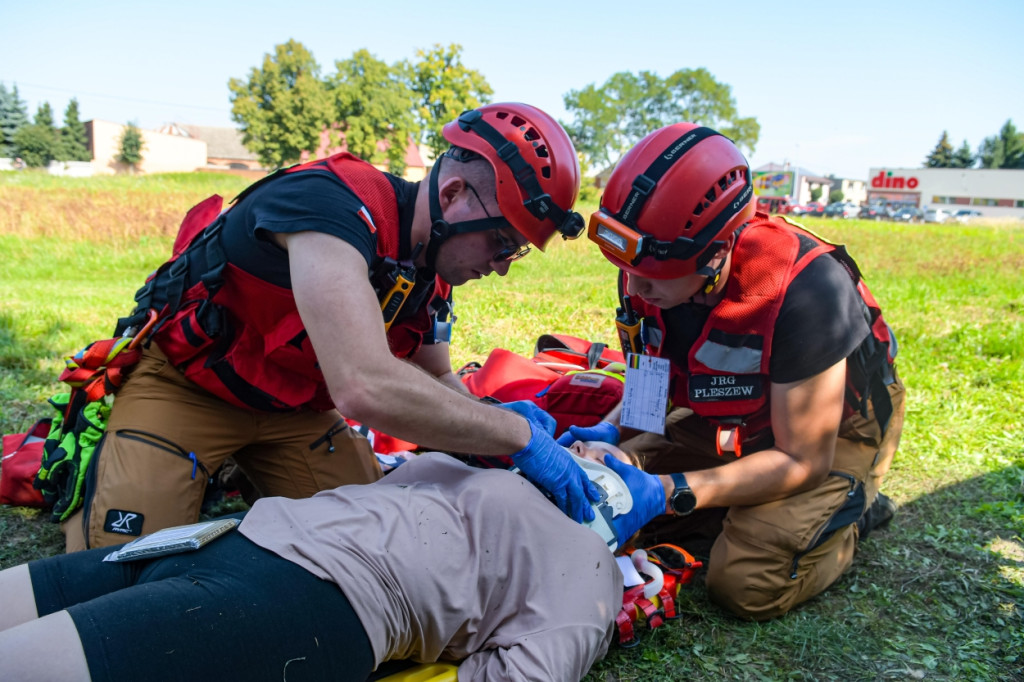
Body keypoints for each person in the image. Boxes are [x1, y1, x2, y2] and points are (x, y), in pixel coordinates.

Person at [54, 102, 604, 552]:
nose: (504, 264)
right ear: (453, 195)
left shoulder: (433, 269)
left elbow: (436, 375)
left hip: (294, 411)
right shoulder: (331, 206)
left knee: (378, 551)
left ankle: (238, 476)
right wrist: (520, 437)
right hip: (189, 387)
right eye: (503, 242)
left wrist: (492, 428)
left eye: (519, 252)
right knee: (126, 565)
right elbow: (363, 383)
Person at [559, 123, 905, 621]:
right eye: (625, 267)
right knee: (606, 491)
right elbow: (651, 384)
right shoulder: (650, 258)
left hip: (832, 433)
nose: (634, 287)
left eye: (650, 276)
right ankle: (726, 511)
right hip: (731, 421)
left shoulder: (804, 288)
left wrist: (670, 491)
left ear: (717, 253)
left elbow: (802, 459)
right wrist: (613, 431)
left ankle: (852, 516)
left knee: (744, 584)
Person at [0, 443, 669, 682]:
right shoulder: (475, 471)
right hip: (260, 567)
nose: (594, 448)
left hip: (280, 579)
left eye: (609, 456)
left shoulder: (585, 567)